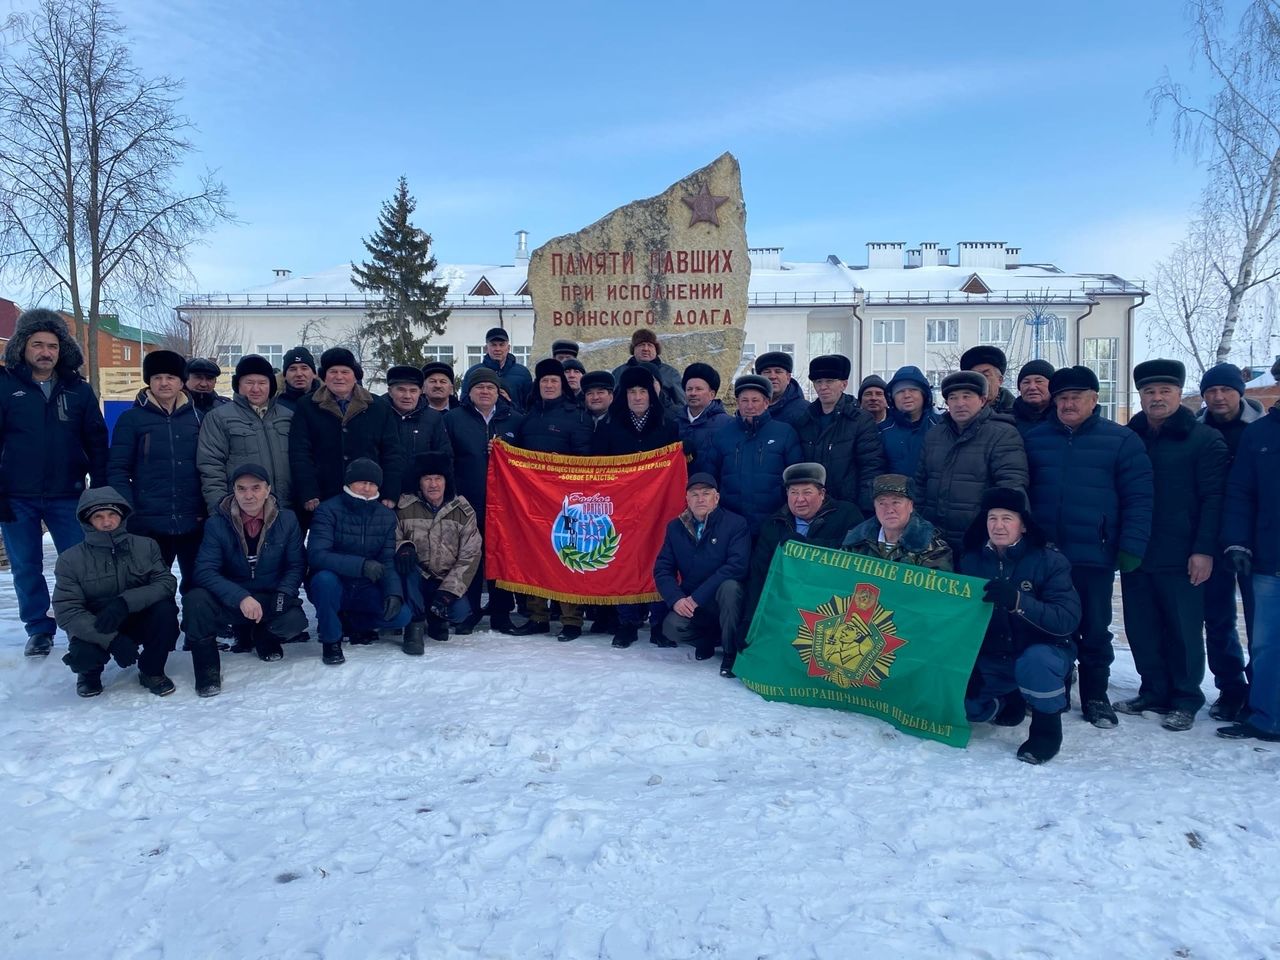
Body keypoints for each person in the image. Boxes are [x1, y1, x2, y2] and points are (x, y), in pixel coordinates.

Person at [1024, 365, 1153, 728]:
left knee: (1095, 627)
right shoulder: (1036, 439)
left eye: (1076, 398)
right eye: (1062, 398)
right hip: (1046, 553)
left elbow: (1139, 497)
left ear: (1094, 400)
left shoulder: (1120, 440)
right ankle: (1057, 689)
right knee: (1050, 625)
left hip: (1094, 552)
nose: (1068, 404)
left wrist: (1131, 545)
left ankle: (1096, 695)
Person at [1116, 359, 1228, 731]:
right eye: (1149, 391)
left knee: (1182, 628)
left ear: (1180, 394)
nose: (1157, 397)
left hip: (1182, 552)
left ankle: (1185, 696)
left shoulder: (1203, 439)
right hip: (1138, 549)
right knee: (1141, 626)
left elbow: (1214, 498)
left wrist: (1204, 549)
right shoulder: (1131, 436)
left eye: (1165, 391)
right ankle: (1153, 690)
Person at [0, 308, 109, 657]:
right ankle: (38, 628)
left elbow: (95, 438)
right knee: (25, 564)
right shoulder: (5, 386)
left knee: (79, 562)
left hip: (69, 493)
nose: (46, 352)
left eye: (53, 345)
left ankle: (83, 623)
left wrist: (102, 484)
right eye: (38, 344)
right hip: (16, 495)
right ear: (22, 346)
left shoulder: (78, 390)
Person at [960, 487, 1081, 765]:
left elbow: (1066, 619)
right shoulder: (971, 560)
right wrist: (968, 664)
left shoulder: (1050, 561)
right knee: (964, 705)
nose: (998, 526)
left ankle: (1046, 731)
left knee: (1036, 662)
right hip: (995, 654)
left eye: (1007, 518)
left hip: (1043, 650)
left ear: (1023, 525)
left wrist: (1018, 601)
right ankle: (1006, 699)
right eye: (992, 518)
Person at [182, 464, 307, 696]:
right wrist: (240, 597)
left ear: (268, 489)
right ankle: (207, 669)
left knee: (294, 621)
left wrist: (284, 593)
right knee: (195, 600)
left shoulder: (287, 520)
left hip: (268, 595)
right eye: (241, 489)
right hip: (232, 598)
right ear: (234, 491)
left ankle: (263, 636)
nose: (249, 495)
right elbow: (205, 571)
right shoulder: (217, 524)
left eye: (256, 488)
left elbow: (296, 565)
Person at [53, 487, 180, 698]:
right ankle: (89, 675)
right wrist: (111, 640)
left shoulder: (146, 546)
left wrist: (125, 602)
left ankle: (151, 670)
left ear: (122, 516)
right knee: (82, 655)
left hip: (136, 617)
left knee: (165, 612)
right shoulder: (70, 560)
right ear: (87, 521)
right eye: (98, 516)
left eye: (112, 514)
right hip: (99, 624)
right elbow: (67, 611)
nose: (107, 522)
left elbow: (166, 583)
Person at [591, 365, 682, 648]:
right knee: (624, 560)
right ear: (624, 395)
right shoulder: (609, 426)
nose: (638, 396)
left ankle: (657, 623)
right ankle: (627, 623)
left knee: (659, 559)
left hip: (659, 506)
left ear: (652, 393)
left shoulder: (668, 424)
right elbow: (597, 468)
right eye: (632, 391)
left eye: (643, 390)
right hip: (621, 508)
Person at [1196, 361, 1264, 720]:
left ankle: (1261, 689)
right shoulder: (1197, 431)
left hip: (1260, 542)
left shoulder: (1262, 430)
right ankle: (1230, 687)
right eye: (1211, 391)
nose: (1218, 397)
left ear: (1241, 392)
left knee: (1261, 623)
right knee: (1218, 617)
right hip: (1212, 538)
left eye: (1225, 390)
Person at [107, 349, 204, 593]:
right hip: (149, 520)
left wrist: (205, 508)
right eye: (157, 377)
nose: (164, 383)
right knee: (152, 585)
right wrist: (130, 510)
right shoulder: (131, 419)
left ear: (181, 382)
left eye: (170, 377)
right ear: (149, 381)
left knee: (198, 582)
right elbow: (118, 469)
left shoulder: (199, 419)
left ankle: (199, 629)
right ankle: (159, 630)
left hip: (193, 518)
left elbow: (210, 467)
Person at [510, 359, 593, 639]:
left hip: (567, 502)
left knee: (566, 556)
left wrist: (564, 466)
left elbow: (586, 459)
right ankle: (538, 615)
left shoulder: (577, 415)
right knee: (534, 554)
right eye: (544, 380)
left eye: (554, 381)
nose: (548, 385)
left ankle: (571, 619)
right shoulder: (529, 416)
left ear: (562, 386)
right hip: (532, 500)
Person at [1218, 393, 1280, 742]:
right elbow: (1240, 492)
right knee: (1267, 644)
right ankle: (1267, 717)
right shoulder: (1260, 434)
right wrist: (1237, 542)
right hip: (1271, 556)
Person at [307, 459, 411, 665]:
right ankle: (331, 641)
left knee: (402, 616)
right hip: (335, 583)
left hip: (364, 587)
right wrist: (361, 565)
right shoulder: (328, 510)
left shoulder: (387, 516)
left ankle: (350, 622)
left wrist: (393, 593)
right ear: (349, 482)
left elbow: (387, 561)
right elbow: (317, 555)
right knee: (324, 581)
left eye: (372, 484)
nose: (367, 488)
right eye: (362, 482)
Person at [443, 367, 522, 633]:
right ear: (469, 392)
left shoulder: (514, 420)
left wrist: (508, 452)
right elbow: (447, 460)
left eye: (490, 387)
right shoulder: (453, 419)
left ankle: (501, 613)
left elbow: (527, 462)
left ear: (498, 392)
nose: (485, 392)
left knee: (502, 555)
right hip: (467, 501)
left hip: (505, 504)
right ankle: (470, 611)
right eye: (479, 387)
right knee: (470, 557)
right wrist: (452, 496)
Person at [915, 370, 1027, 554]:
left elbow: (1011, 488)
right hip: (934, 540)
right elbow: (920, 484)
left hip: (980, 540)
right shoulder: (934, 435)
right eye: (953, 398)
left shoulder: (1003, 434)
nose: (960, 404)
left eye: (967, 397)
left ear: (982, 400)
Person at [744, 462, 863, 630]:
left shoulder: (847, 514)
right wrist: (749, 620)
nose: (800, 499)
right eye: (793, 493)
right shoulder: (774, 524)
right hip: (787, 604)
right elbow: (759, 575)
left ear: (822, 493)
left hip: (831, 607)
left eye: (807, 492)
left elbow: (856, 552)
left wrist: (806, 546)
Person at [288, 347, 406, 516]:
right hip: (323, 498)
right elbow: (300, 453)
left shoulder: (378, 407)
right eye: (333, 371)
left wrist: (390, 491)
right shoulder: (307, 406)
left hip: (369, 495)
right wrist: (308, 492)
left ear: (355, 375)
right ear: (324, 376)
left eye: (345, 371)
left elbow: (392, 452)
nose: (339, 377)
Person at [654, 473, 750, 676]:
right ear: (687, 499)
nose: (700, 499)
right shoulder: (675, 528)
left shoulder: (735, 524)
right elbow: (663, 568)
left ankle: (730, 653)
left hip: (722, 600)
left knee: (731, 588)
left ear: (716, 498)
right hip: (692, 602)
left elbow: (736, 566)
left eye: (706, 494)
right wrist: (676, 599)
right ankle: (706, 641)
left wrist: (697, 597)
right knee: (671, 627)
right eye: (694, 494)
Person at [394, 452, 482, 652]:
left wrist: (449, 591)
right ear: (420, 482)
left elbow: (470, 555)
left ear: (446, 481)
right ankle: (414, 626)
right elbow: (392, 537)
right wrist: (402, 547)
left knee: (460, 613)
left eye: (438, 479)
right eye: (427, 479)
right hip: (416, 576)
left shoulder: (463, 511)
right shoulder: (404, 506)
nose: (433, 484)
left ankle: (436, 618)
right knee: (406, 569)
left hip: (444, 580)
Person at [698, 374, 803, 535]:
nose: (749, 406)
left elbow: (796, 478)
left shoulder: (785, 433)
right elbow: (710, 478)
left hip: (774, 521)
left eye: (755, 400)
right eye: (744, 400)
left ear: (766, 403)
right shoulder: (722, 435)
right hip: (731, 521)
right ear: (738, 403)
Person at [197, 354, 294, 516]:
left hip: (286, 509)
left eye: (262, 383)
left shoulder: (288, 416)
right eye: (249, 382)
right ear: (238, 385)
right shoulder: (219, 417)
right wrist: (220, 510)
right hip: (241, 511)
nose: (256, 389)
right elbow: (211, 467)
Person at [797, 354, 886, 514]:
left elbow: (871, 468)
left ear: (843, 384)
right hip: (813, 507)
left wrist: (863, 510)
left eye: (830, 381)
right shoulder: (805, 420)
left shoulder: (860, 420)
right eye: (818, 382)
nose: (823, 387)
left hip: (848, 508)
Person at [842, 474, 952, 570]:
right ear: (874, 507)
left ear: (910, 506)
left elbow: (934, 592)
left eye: (896, 502)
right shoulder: (855, 542)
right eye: (882, 503)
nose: (889, 510)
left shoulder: (932, 548)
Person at [880, 365, 940, 476]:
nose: (907, 395)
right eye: (900, 391)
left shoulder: (942, 426)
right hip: (894, 492)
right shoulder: (881, 431)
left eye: (913, 390)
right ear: (892, 398)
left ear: (924, 395)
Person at [384, 364, 450, 461]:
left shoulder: (433, 418)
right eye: (401, 390)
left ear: (420, 392)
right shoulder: (378, 416)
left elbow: (444, 455)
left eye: (413, 391)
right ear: (390, 391)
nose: (407, 396)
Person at [611, 329, 685, 412]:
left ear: (656, 350)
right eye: (641, 345)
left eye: (650, 345)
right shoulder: (619, 372)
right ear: (633, 349)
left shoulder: (670, 373)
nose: (645, 349)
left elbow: (681, 404)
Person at [462, 327, 532, 410]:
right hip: (480, 421)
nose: (498, 349)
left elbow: (529, 405)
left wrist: (510, 403)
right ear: (486, 348)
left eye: (501, 345)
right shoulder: (473, 372)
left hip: (514, 421)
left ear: (508, 348)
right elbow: (464, 401)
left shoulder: (523, 373)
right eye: (493, 345)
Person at [678, 362, 729, 462]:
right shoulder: (674, 422)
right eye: (689, 389)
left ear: (712, 394)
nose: (693, 393)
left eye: (698, 389)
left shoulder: (727, 424)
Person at [755, 350, 807, 428]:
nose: (772, 376)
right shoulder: (749, 407)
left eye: (778, 371)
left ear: (788, 377)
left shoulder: (804, 411)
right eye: (767, 372)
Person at [960, 345, 1015, 414]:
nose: (980, 380)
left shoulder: (1017, 414)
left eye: (986, 375)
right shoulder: (959, 414)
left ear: (1000, 380)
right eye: (975, 376)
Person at [1012, 359, 1055, 436]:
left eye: (1039, 381)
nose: (1032, 387)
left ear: (1052, 385)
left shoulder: (1064, 419)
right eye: (1026, 382)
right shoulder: (1008, 421)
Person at [184, 357, 229, 422]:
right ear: (186, 378)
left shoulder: (225, 407)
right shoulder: (173, 407)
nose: (203, 384)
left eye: (209, 378)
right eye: (198, 377)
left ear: (215, 381)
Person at [276, 347, 319, 412]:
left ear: (314, 374)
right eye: (293, 369)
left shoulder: (328, 403)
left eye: (304, 368)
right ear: (284, 376)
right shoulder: (275, 406)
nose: (299, 374)